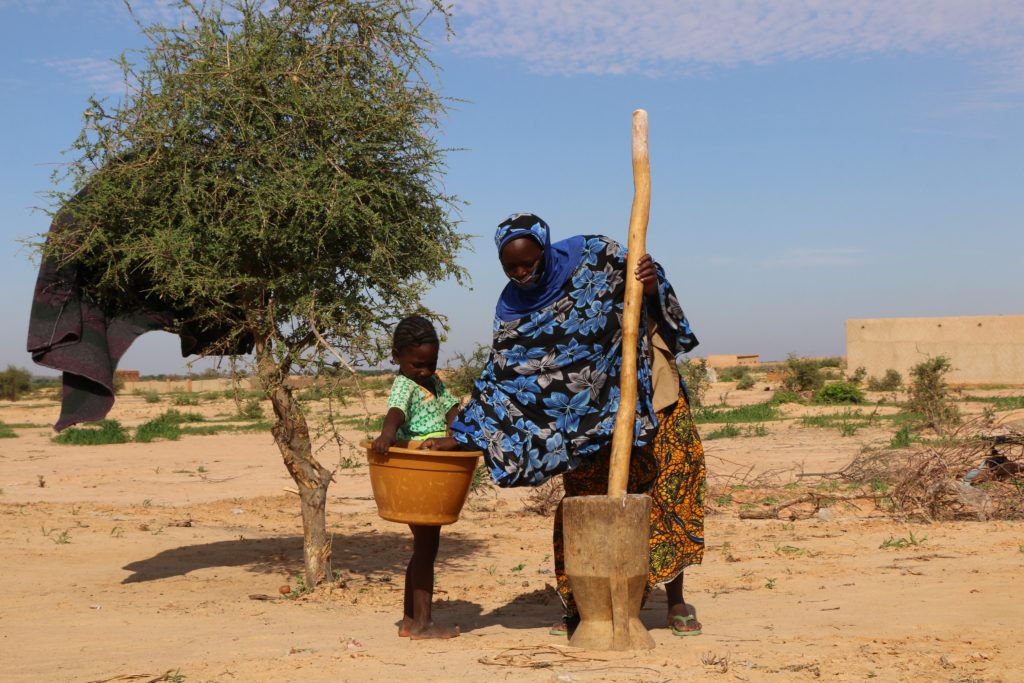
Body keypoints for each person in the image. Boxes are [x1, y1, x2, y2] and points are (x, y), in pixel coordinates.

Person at [423, 213, 706, 637]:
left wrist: (649, 284)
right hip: (585, 421)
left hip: (652, 396)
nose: (520, 273)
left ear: (545, 249)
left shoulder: (599, 256)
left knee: (669, 489)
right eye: (510, 267)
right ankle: (582, 605)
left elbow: (657, 300)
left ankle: (677, 599)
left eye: (528, 263)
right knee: (583, 501)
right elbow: (505, 380)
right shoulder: (512, 308)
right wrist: (463, 435)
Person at [373, 315, 461, 639]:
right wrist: (386, 435)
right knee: (426, 548)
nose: (425, 371)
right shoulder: (404, 384)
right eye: (417, 365)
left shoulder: (433, 381)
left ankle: (409, 621)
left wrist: (459, 424)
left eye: (431, 364)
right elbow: (395, 413)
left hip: (434, 468)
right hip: (421, 470)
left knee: (423, 547)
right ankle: (424, 624)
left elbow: (451, 407)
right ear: (397, 357)